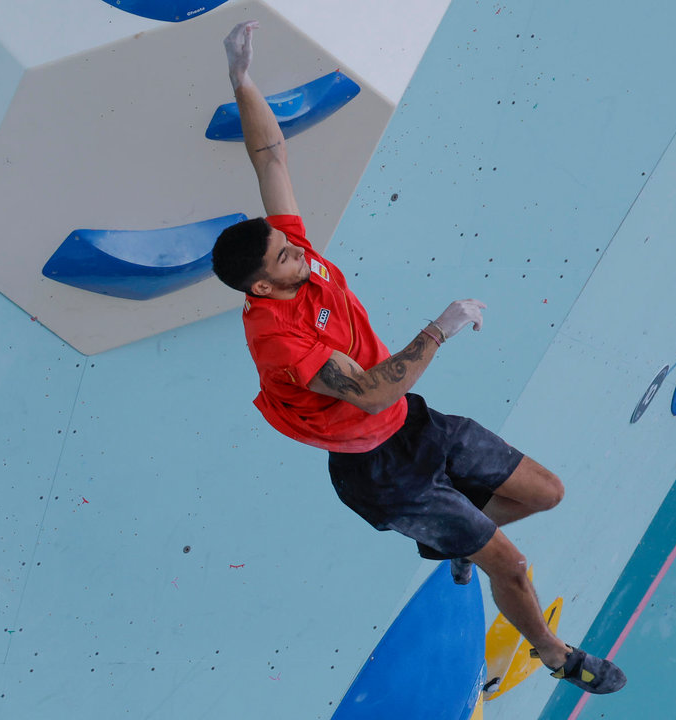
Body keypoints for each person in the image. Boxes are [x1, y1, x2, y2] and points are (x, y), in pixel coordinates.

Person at [210, 21, 625, 696]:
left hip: (413, 424)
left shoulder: (287, 254)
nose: (297, 247)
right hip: (377, 470)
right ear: (262, 285)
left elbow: (270, 157)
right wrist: (439, 329)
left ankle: (446, 542)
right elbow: (371, 392)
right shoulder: (280, 340)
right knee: (512, 567)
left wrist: (242, 79)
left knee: (545, 493)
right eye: (284, 256)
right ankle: (558, 657)